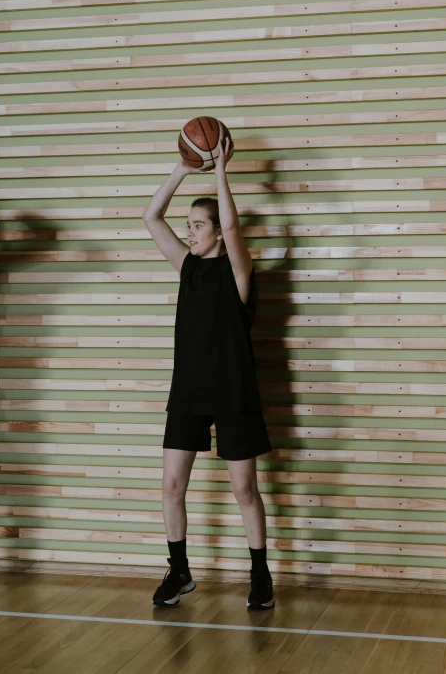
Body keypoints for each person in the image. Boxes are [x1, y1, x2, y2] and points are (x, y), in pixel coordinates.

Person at [142, 135, 275, 611]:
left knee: (245, 489)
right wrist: (183, 167)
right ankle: (179, 571)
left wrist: (220, 168)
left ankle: (260, 575)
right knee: (171, 486)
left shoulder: (239, 272)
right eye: (190, 225)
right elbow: (150, 218)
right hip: (189, 394)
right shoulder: (188, 268)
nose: (190, 232)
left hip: (234, 393)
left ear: (217, 232)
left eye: (199, 226)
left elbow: (235, 229)